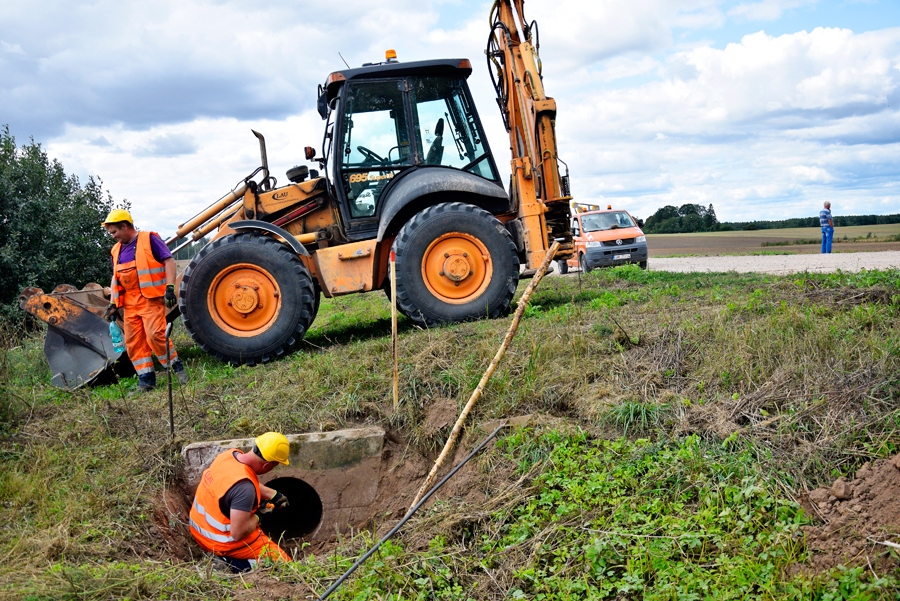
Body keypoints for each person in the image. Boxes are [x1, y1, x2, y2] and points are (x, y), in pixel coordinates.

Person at [102, 209, 188, 391]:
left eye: (114, 232)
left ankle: (176, 369)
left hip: (150, 299)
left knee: (155, 336)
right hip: (129, 303)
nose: (113, 237)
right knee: (134, 342)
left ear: (124, 226)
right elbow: (115, 277)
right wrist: (113, 303)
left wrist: (170, 288)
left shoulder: (149, 239)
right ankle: (146, 381)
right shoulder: (116, 250)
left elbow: (169, 261)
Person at [189, 432, 292, 572]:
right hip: (221, 543)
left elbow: (237, 483)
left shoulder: (229, 456)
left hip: (199, 530)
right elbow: (238, 532)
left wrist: (273, 495)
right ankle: (230, 564)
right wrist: (259, 515)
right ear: (267, 465)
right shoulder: (245, 489)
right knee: (286, 565)